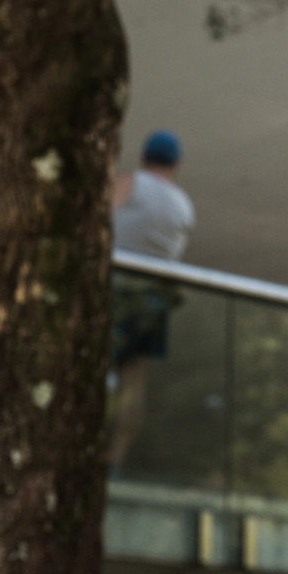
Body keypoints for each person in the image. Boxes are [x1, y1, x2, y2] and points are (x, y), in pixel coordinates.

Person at [107, 130, 195, 468]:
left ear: (145, 156)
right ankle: (116, 456)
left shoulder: (130, 184)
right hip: (154, 298)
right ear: (176, 163)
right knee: (132, 380)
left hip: (116, 288)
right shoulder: (183, 203)